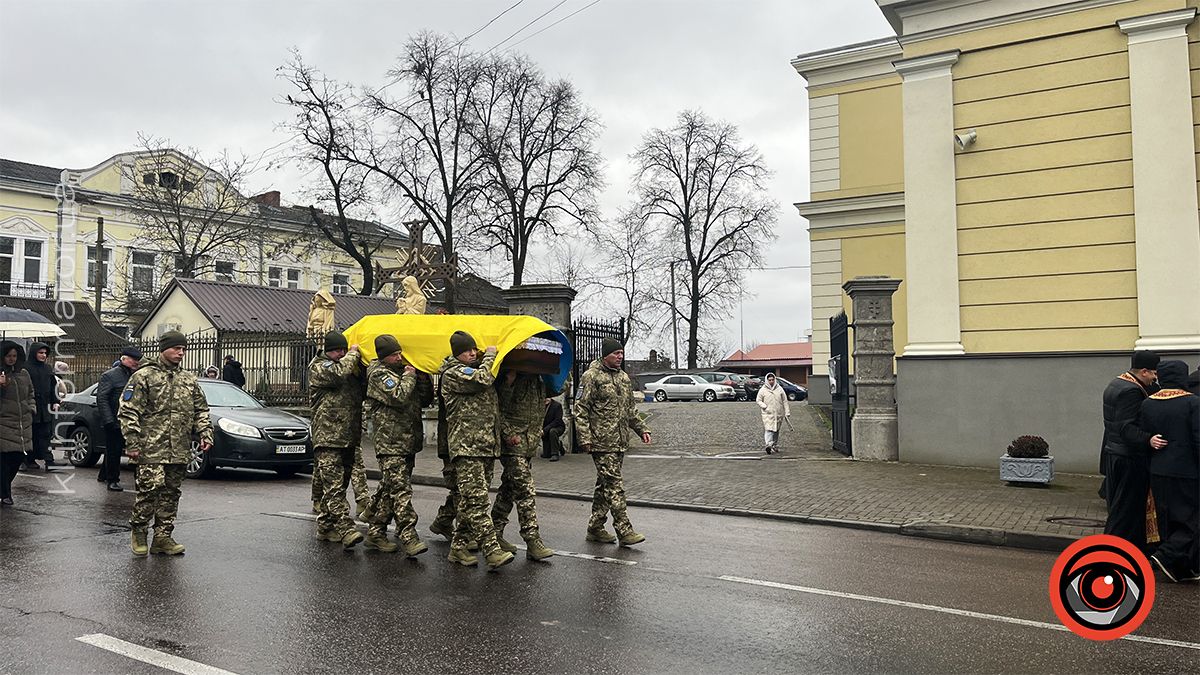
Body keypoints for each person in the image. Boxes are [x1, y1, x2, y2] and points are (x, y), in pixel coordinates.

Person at [119, 331, 213, 556]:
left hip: (178, 447)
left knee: (171, 492)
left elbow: (201, 409)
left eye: (183, 349)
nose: (181, 352)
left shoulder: (188, 379)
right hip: (151, 447)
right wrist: (132, 442)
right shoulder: (144, 376)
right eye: (176, 348)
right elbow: (128, 410)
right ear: (163, 349)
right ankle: (139, 531)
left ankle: (163, 537)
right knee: (150, 490)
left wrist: (205, 433)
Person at [438, 330, 514, 569]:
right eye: (467, 351)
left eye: (474, 349)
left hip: (485, 447)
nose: (473, 353)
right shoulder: (454, 374)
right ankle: (491, 550)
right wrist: (490, 354)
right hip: (466, 447)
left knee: (469, 502)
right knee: (478, 502)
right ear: (457, 353)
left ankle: (458, 547)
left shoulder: (478, 369)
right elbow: (482, 379)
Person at [361, 334, 433, 556]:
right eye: (394, 355)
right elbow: (398, 396)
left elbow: (425, 399)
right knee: (401, 491)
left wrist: (421, 376)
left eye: (400, 353)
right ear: (383, 357)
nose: (399, 357)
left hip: (407, 441)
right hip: (390, 443)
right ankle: (409, 536)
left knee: (388, 490)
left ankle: (375, 532)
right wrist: (410, 375)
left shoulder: (402, 373)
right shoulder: (379, 374)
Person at [575, 338, 651, 546]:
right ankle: (624, 531)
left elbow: (630, 410)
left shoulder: (624, 378)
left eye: (621, 353)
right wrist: (585, 437)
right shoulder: (591, 377)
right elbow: (580, 409)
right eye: (616, 353)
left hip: (619, 441)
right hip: (601, 442)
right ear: (605, 355)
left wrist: (641, 429)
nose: (620, 357)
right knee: (615, 486)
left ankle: (595, 527)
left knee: (604, 487)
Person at [1139, 360, 1200, 583]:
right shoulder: (1192, 403)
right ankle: (1164, 556)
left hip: (1158, 470)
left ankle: (1181, 569)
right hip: (1186, 471)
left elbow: (1145, 435)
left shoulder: (1148, 403)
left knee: (1168, 519)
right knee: (1192, 520)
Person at [1100, 350, 1168, 550]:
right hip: (1129, 458)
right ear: (1144, 371)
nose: (1155, 378)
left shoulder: (1116, 383)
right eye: (1154, 373)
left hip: (1114, 453)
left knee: (1119, 506)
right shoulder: (1131, 391)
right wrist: (1149, 439)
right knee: (1126, 509)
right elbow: (1126, 427)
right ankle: (1111, 550)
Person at [307, 330, 365, 549]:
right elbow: (339, 373)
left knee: (341, 483)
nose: (341, 353)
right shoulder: (320, 367)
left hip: (348, 436)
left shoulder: (350, 369)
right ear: (329, 351)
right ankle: (346, 528)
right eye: (338, 350)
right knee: (334, 487)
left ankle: (325, 525)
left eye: (343, 349)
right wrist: (353, 353)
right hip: (328, 438)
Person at [491, 368, 555, 560]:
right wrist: (509, 434)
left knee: (509, 489)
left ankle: (494, 532)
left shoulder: (541, 380)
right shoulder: (509, 377)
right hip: (513, 443)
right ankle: (532, 540)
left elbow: (559, 388)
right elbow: (497, 409)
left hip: (529, 443)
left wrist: (555, 373)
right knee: (525, 490)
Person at [95, 347, 142, 491]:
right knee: (114, 451)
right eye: (133, 359)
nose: (136, 362)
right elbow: (102, 398)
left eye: (137, 360)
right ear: (123, 359)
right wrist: (109, 420)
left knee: (133, 450)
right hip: (115, 420)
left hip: (133, 421)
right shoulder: (110, 375)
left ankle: (105, 474)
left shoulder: (138, 376)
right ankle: (112, 480)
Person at [1, 341, 35, 506]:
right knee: (3, 460)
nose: (11, 359)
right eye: (8, 356)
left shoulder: (24, 373)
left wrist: (31, 407)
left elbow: (31, 393)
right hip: (3, 422)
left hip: (22, 422)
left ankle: (4, 489)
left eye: (14, 356)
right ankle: (6, 493)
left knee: (18, 457)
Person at [23, 341, 61, 470]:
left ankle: (49, 461)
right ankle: (28, 459)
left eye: (45, 353)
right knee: (30, 434)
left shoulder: (47, 368)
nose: (43, 355)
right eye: (40, 352)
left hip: (45, 407)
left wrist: (55, 400)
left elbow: (52, 386)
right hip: (31, 407)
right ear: (34, 353)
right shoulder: (25, 368)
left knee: (45, 434)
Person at [756, 372, 790, 455]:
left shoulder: (780, 389)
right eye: (769, 380)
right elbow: (758, 400)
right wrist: (763, 406)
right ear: (767, 380)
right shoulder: (763, 390)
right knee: (768, 429)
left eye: (772, 379)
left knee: (776, 430)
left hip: (778, 413)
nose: (771, 381)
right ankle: (768, 444)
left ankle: (774, 445)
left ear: (775, 379)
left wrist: (787, 411)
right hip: (767, 413)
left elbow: (784, 401)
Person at [542, 397, 565, 461]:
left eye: (548, 397)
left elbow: (557, 420)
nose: (546, 399)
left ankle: (555, 454)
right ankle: (559, 444)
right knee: (546, 455)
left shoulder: (557, 405)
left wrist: (545, 430)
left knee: (552, 431)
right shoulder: (540, 405)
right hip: (546, 428)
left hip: (558, 427)